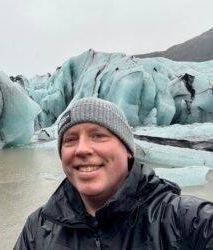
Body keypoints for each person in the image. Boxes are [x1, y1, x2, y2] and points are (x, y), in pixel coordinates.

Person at [14, 97, 213, 250]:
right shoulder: (39, 229)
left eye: (98, 136)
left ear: (127, 149)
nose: (82, 149)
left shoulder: (189, 221)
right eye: (70, 140)